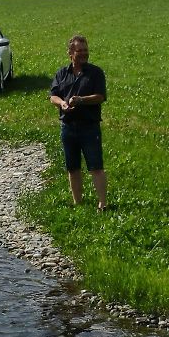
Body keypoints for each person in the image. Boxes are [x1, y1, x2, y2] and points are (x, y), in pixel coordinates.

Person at [49, 35, 107, 211]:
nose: (84, 54)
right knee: (72, 168)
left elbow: (100, 97)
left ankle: (103, 203)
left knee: (96, 166)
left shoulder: (96, 73)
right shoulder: (61, 73)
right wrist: (62, 103)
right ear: (70, 53)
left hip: (89, 127)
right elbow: (53, 96)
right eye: (79, 51)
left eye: (85, 50)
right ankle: (77, 202)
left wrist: (81, 100)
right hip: (68, 127)